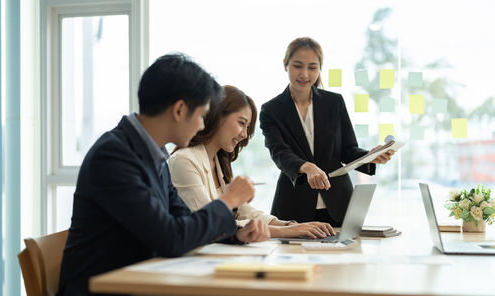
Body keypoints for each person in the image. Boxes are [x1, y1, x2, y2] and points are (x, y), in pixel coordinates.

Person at [57, 54, 269, 296]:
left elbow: (184, 223)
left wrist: (236, 235)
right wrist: (229, 200)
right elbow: (171, 238)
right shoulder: (113, 156)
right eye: (201, 116)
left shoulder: (154, 155)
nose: (202, 125)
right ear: (179, 110)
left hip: (139, 280)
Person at [168, 85, 335, 238]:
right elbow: (209, 223)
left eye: (248, 128)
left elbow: (243, 212)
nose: (244, 135)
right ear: (218, 115)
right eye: (241, 123)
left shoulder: (218, 162)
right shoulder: (184, 161)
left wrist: (290, 225)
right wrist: (286, 231)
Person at [259, 37, 394, 227]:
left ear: (319, 68)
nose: (304, 74)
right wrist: (307, 167)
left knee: (346, 255)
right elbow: (280, 153)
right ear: (285, 64)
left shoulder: (334, 103)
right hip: (293, 206)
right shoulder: (271, 110)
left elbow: (348, 150)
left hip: (338, 204)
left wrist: (370, 156)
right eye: (298, 66)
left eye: (312, 67)